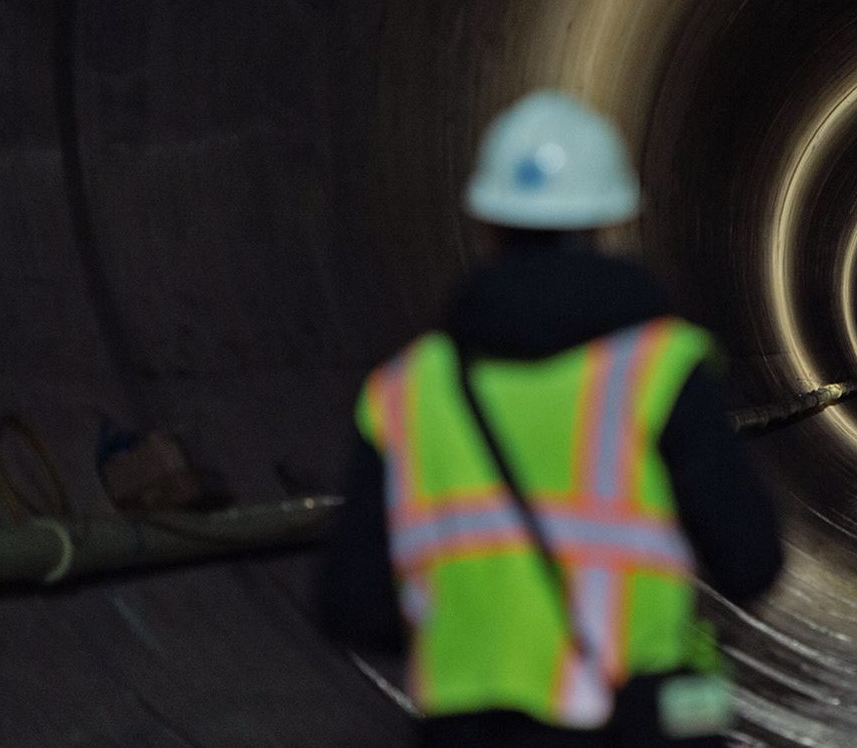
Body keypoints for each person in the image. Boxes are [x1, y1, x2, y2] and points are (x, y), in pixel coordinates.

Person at [319, 90, 784, 747]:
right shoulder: (657, 371)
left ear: (485, 225)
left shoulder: (408, 389)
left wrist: (472, 639)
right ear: (606, 221)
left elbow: (350, 601)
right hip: (629, 722)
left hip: (470, 729)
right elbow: (750, 560)